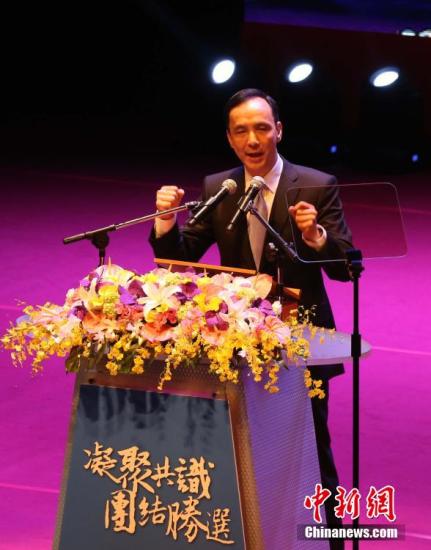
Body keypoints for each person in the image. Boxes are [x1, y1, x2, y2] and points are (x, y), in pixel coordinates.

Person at [150, 88, 352, 547]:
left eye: (262, 128)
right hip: (237, 341)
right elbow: (180, 257)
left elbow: (345, 269)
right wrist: (165, 220)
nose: (253, 140)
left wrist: (317, 237)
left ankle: (331, 540)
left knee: (312, 450)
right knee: (239, 448)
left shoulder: (316, 185)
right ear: (229, 138)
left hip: (302, 342)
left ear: (278, 130)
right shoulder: (220, 188)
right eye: (241, 131)